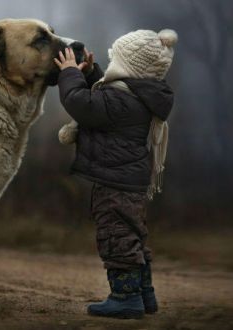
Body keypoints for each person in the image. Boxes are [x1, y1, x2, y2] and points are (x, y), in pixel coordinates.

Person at [53, 29, 177, 319]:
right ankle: (144, 294)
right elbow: (103, 96)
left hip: (115, 182)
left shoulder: (121, 102)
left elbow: (80, 103)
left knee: (116, 236)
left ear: (128, 67)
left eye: (114, 61)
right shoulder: (136, 95)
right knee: (132, 235)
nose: (110, 67)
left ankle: (125, 298)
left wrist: (69, 74)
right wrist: (90, 72)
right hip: (128, 180)